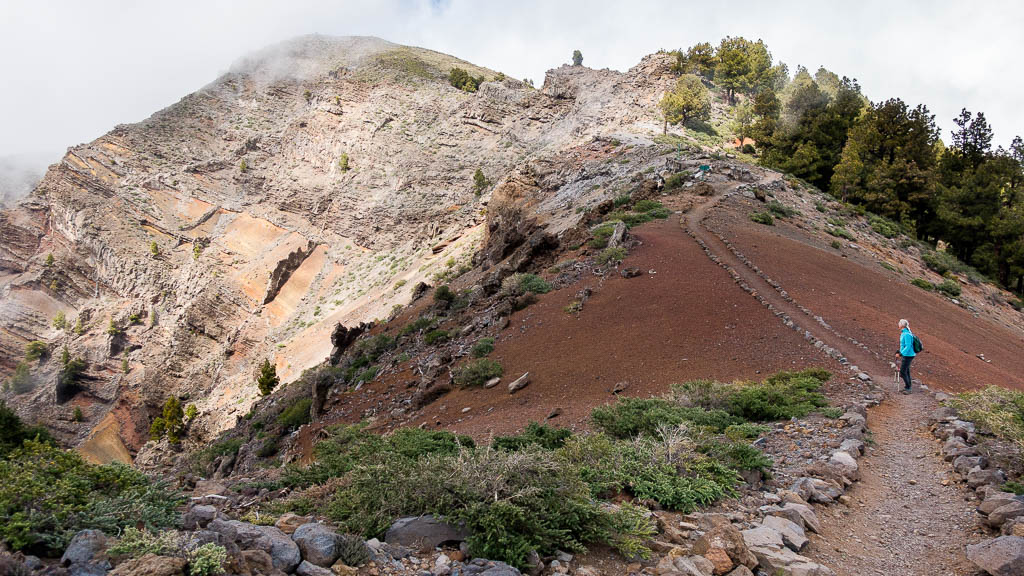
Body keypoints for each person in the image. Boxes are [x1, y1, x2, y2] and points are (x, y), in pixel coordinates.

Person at [896, 319, 916, 394]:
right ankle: (907, 387)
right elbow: (903, 345)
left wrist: (901, 354)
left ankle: (908, 388)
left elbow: (908, 346)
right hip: (907, 354)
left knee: (902, 372)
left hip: (908, 355)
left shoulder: (906, 334)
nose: (898, 325)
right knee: (906, 371)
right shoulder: (904, 333)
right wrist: (899, 351)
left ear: (901, 325)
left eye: (899, 323)